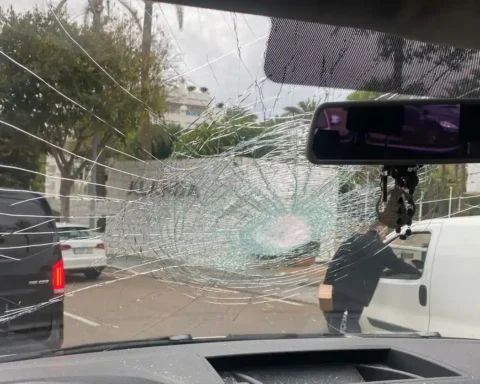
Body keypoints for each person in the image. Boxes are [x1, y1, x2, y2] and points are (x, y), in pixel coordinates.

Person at [322, 224, 420, 334]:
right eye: (385, 233)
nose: (386, 236)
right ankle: (349, 346)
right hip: (359, 293)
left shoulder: (353, 240)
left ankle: (332, 344)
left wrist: (326, 285)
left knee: (334, 320)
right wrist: (416, 271)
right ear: (380, 232)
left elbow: (335, 264)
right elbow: (398, 266)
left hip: (339, 289)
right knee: (352, 323)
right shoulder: (383, 249)